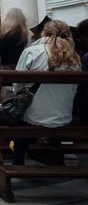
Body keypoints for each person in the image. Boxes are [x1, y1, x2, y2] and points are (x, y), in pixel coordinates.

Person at [12, 19, 80, 164]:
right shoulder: (75, 57)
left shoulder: (31, 52)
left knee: (19, 116)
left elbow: (16, 85)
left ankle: (17, 161)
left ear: (44, 33)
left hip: (33, 117)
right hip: (64, 117)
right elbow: (75, 89)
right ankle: (54, 155)